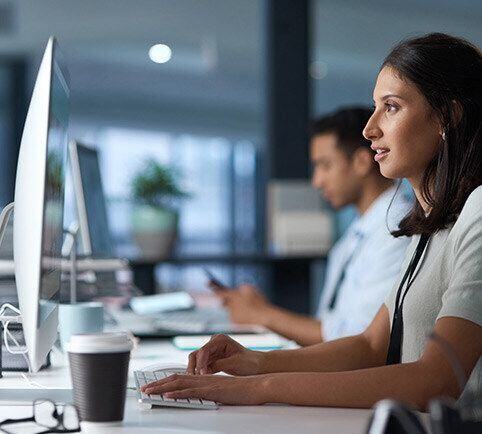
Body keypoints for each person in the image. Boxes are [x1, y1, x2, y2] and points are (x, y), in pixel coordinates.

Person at [141, 33, 482, 409]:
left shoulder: (477, 211)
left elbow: (436, 380)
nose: (370, 129)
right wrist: (255, 362)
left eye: (392, 107)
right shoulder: (428, 222)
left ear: (447, 117)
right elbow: (371, 346)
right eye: (375, 107)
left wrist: (260, 388)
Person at [212, 107, 411, 346]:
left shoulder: (397, 230)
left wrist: (262, 314)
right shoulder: (360, 230)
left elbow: (355, 339)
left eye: (325, 165)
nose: (317, 181)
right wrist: (259, 310)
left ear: (361, 161)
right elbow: (333, 326)